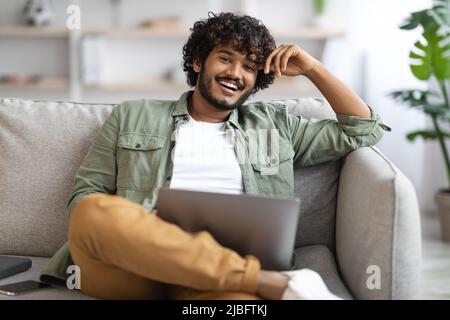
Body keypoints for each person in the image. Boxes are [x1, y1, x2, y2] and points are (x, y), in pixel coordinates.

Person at [40, 12, 391, 300]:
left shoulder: (276, 126)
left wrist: (314, 68)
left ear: (258, 80)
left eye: (250, 67)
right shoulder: (132, 115)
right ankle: (280, 286)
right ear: (198, 61)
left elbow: (361, 130)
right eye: (225, 58)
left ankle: (249, 280)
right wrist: (146, 229)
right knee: (92, 211)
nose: (235, 74)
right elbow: (84, 196)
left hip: (225, 276)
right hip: (133, 266)